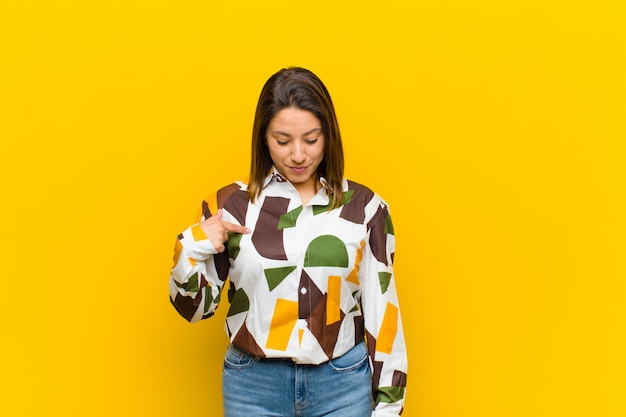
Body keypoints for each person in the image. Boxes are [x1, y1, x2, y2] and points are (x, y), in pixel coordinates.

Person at [169, 67, 407, 417]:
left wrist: (389, 405)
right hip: (253, 387)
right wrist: (192, 245)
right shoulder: (230, 206)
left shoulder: (365, 208)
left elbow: (382, 311)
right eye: (283, 141)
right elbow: (195, 309)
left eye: (311, 140)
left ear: (328, 136)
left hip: (342, 383)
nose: (298, 155)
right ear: (263, 138)